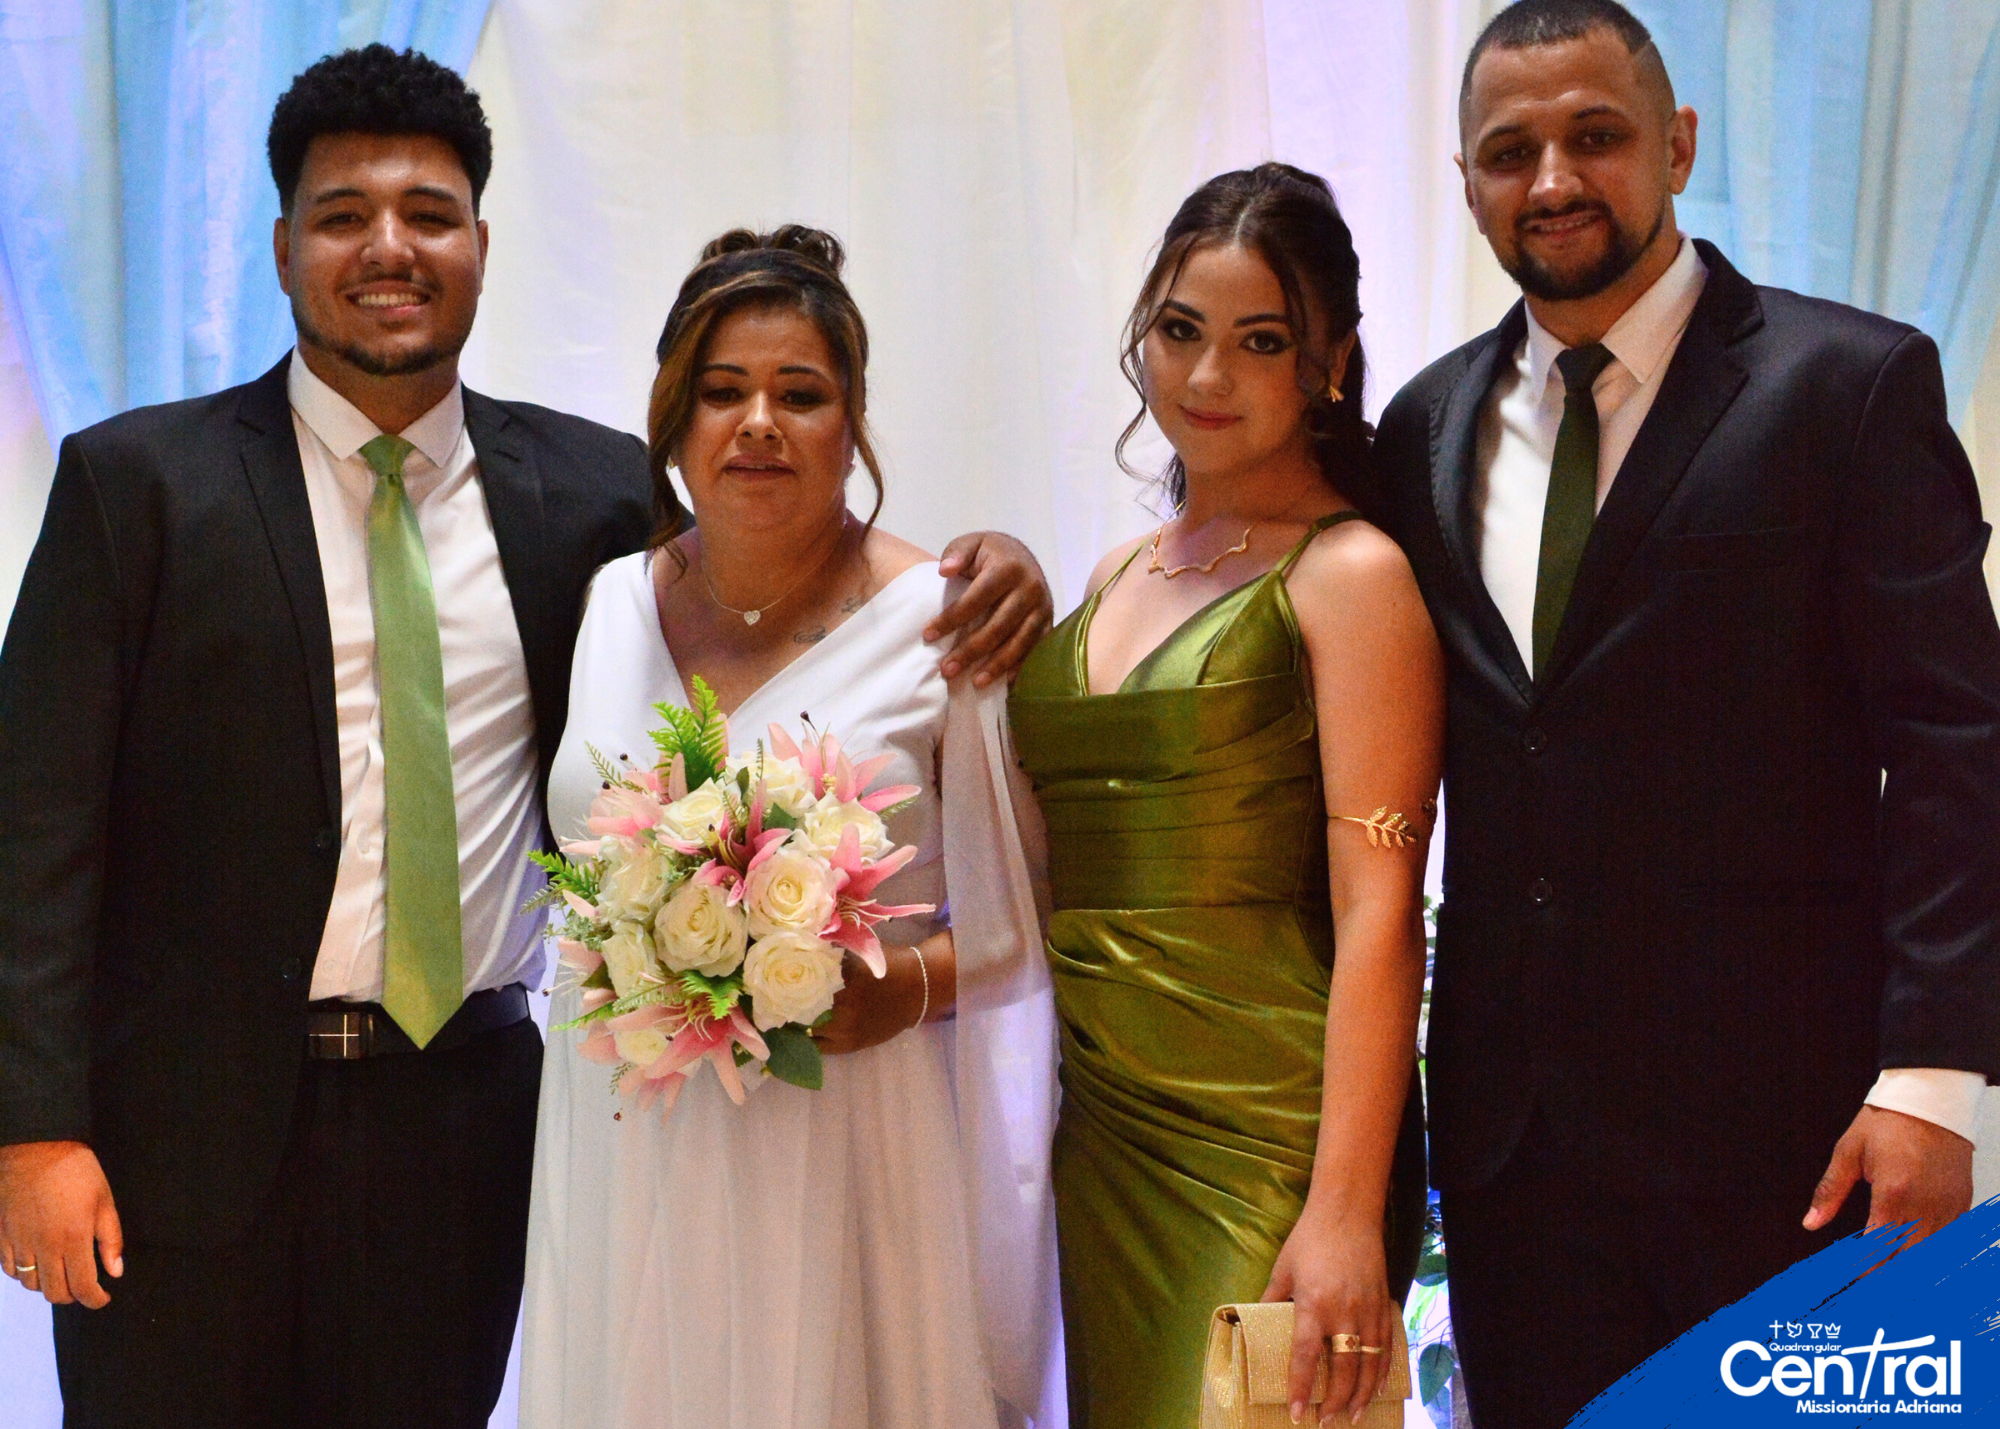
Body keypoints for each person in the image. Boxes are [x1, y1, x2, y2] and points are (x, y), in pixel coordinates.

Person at [0, 47, 1052, 1427]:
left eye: (429, 214)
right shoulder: (138, 483)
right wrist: (33, 1128)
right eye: (343, 215)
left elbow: (783, 577)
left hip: (467, 1132)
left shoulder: (593, 495)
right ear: (283, 246)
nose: (390, 247)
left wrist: (998, 561)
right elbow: (34, 829)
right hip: (181, 1141)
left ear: (482, 247)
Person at [1372, 2, 2000, 1424]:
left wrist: (1931, 1080)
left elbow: (1957, 742)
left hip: (1794, 1135)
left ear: (1677, 144)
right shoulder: (1422, 426)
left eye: (1594, 135)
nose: (1552, 180)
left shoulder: (1848, 385)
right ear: (1466, 181)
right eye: (1508, 151)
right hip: (1514, 1153)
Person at [517, 225, 1061, 1429]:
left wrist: (900, 989)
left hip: (848, 1141)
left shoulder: (945, 621)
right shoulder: (611, 600)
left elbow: (1026, 921)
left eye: (799, 394)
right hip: (626, 1149)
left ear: (851, 426)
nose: (757, 422)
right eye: (723, 392)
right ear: (675, 421)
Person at [1008, 163, 1440, 1429]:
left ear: (1330, 363)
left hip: (1263, 1147)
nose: (1205, 376)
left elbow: (1379, 912)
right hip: (1101, 1132)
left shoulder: (1351, 574)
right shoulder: (1115, 569)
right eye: (1179, 329)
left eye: (1259, 341)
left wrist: (1344, 1210)